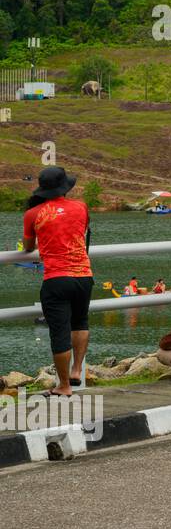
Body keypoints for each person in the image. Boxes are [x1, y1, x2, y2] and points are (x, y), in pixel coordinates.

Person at [22, 167, 92, 397]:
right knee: (80, 322)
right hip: (83, 275)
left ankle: (64, 385)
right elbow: (81, 231)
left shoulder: (33, 214)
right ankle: (77, 369)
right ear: (65, 187)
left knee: (59, 333)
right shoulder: (81, 207)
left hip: (56, 278)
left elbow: (29, 246)